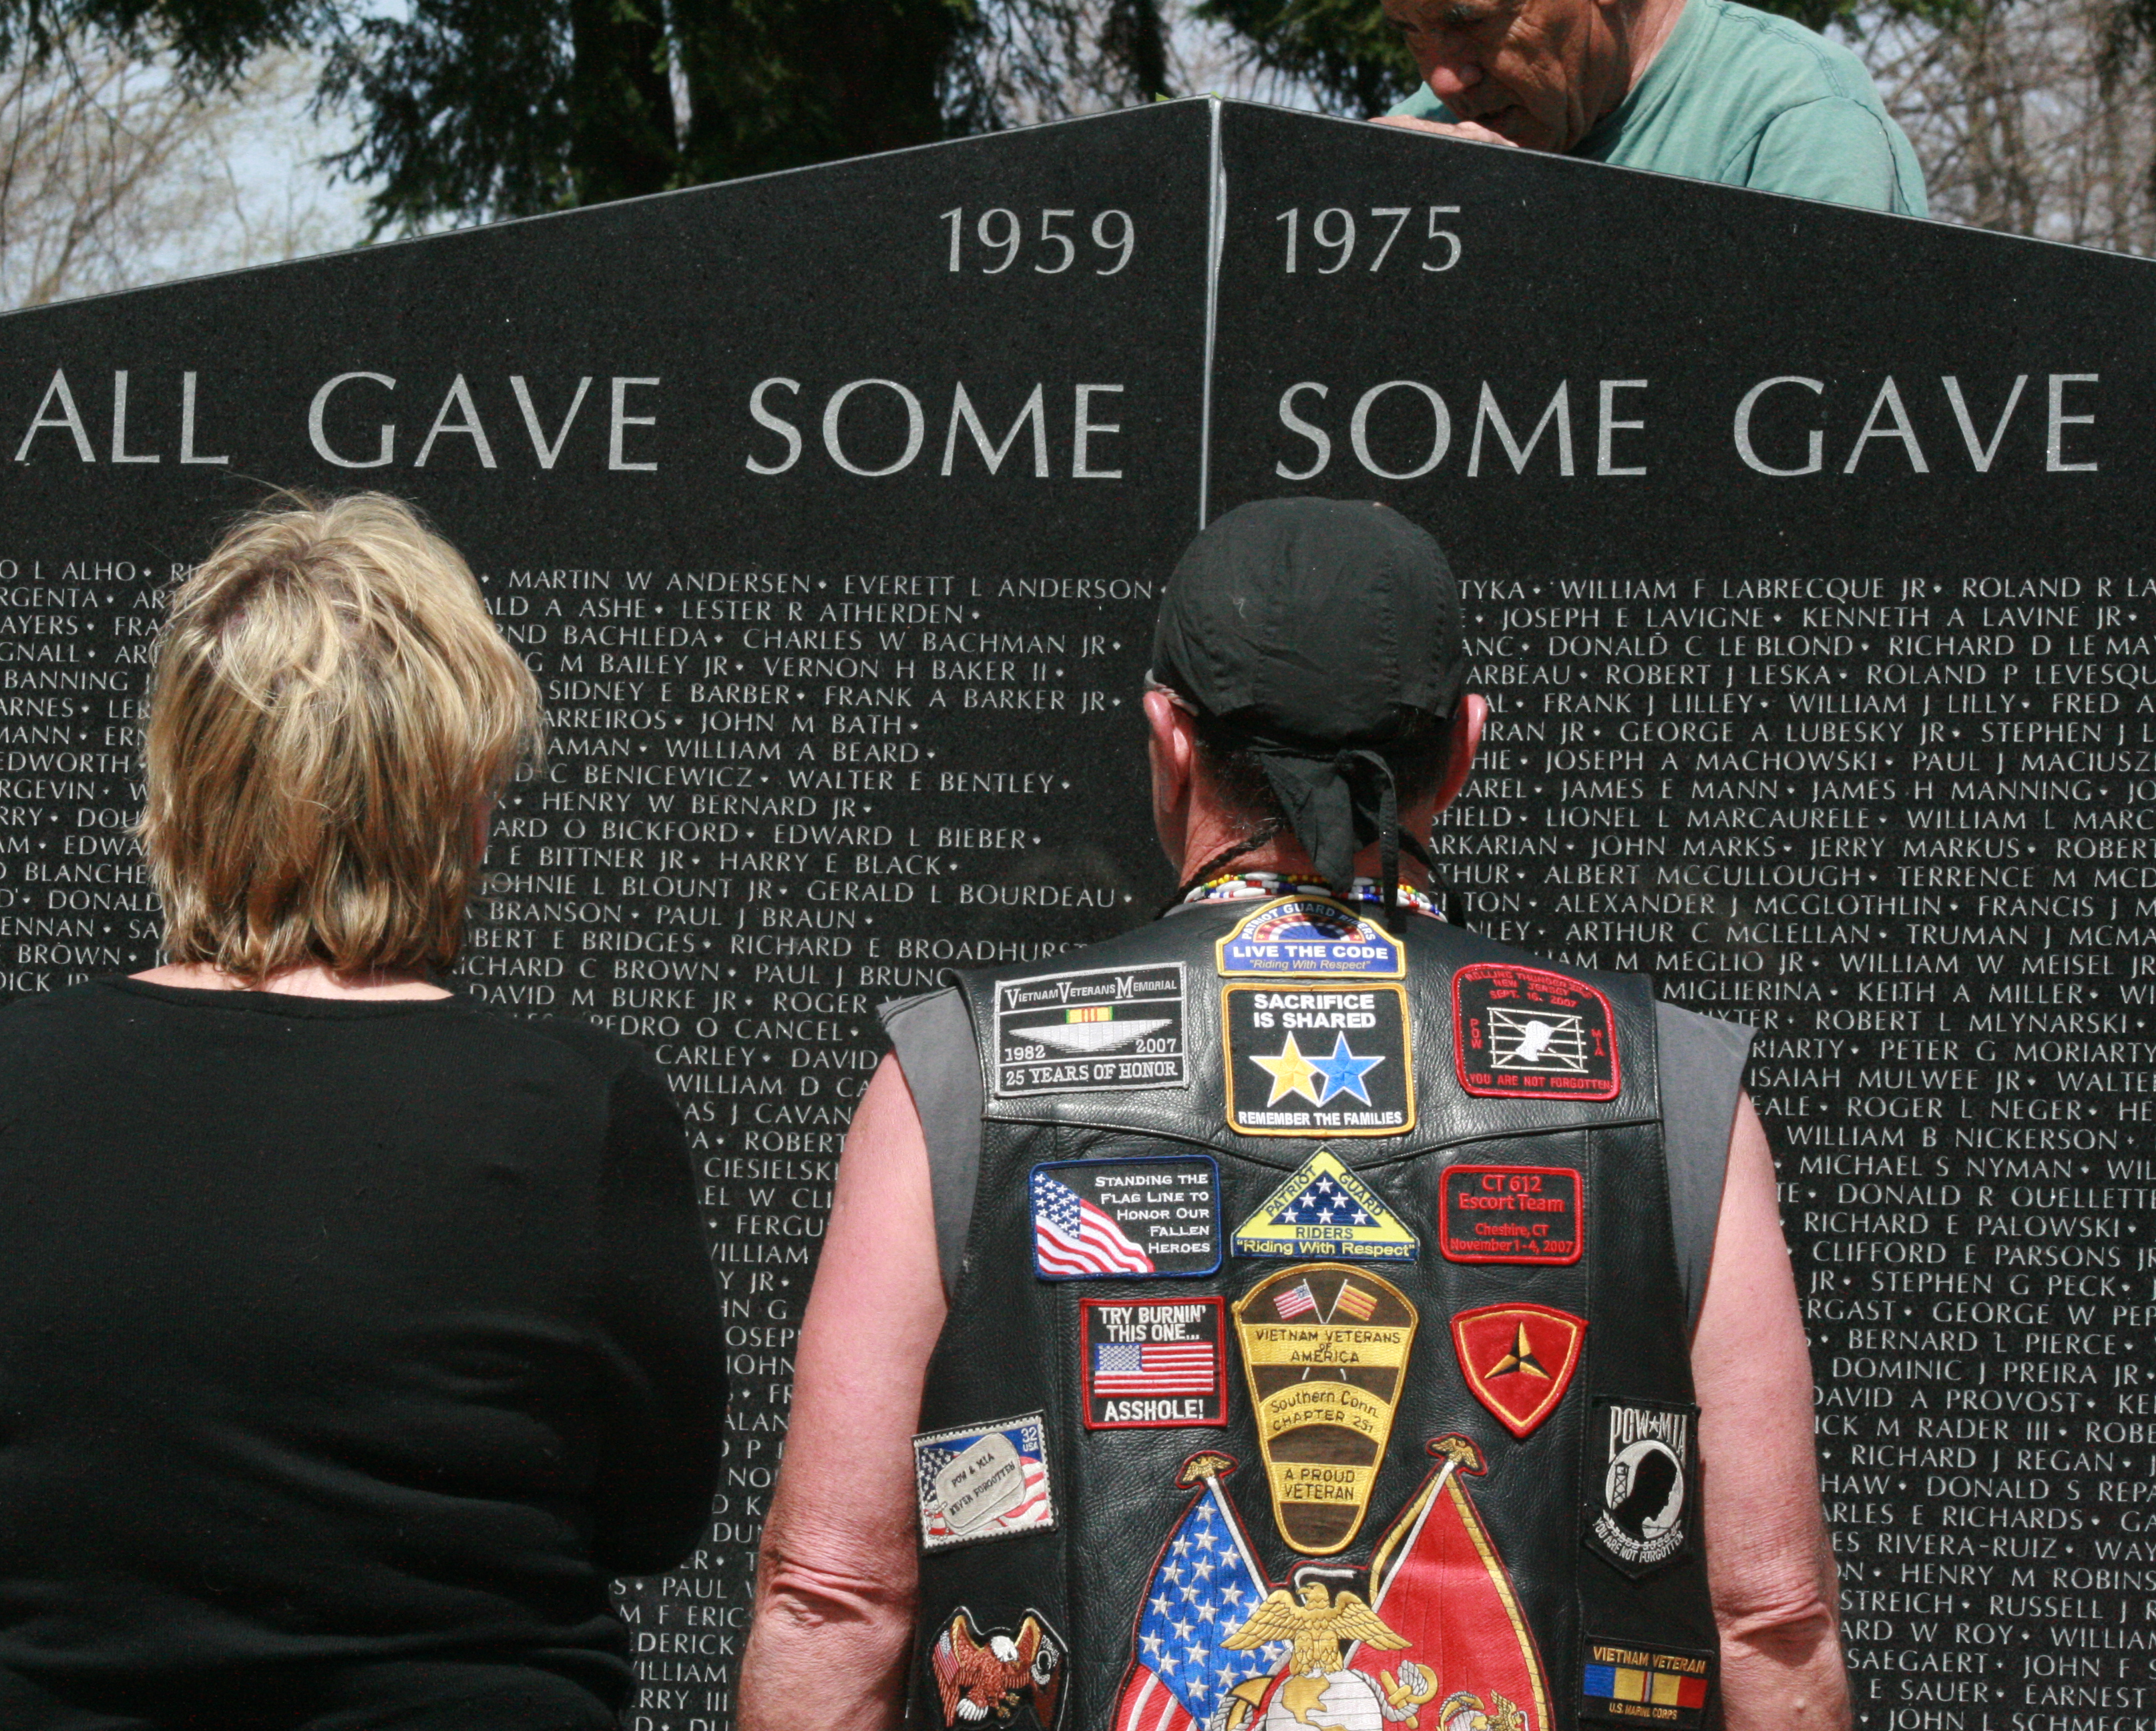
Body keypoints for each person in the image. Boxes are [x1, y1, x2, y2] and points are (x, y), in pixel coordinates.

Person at [739, 498, 1843, 1731]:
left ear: (1166, 741)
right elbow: (1769, 1612)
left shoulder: (956, 1075)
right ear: (1464, 748)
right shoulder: (1665, 1089)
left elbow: (828, 1592)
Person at [0, 492, 726, 1731]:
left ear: (187, 774)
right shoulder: (575, 1109)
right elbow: (655, 1515)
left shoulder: (11, 1074)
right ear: (445, 793)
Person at [1374, 0, 1928, 214]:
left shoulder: (1797, 119)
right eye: (1410, 33)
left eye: (1468, 22)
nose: (1444, 77)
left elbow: (1803, 416)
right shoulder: (1432, 130)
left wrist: (1533, 228)